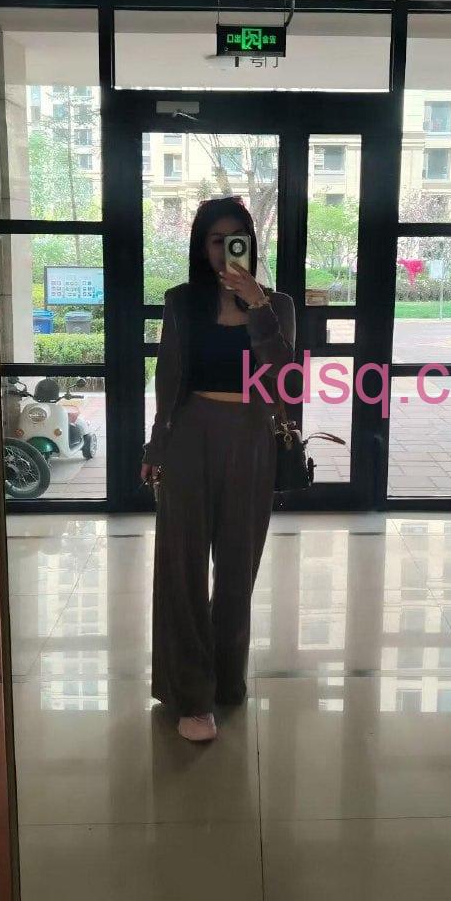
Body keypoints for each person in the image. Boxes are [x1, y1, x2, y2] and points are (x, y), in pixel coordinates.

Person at [141, 197, 295, 742]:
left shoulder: (277, 304)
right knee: (182, 567)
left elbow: (284, 377)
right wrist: (156, 445)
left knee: (237, 568)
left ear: (250, 242)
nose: (227, 248)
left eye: (237, 238)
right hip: (191, 435)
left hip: (252, 437)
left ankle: (226, 678)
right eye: (215, 239)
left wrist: (258, 307)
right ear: (201, 247)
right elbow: (168, 378)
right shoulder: (181, 302)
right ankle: (191, 695)